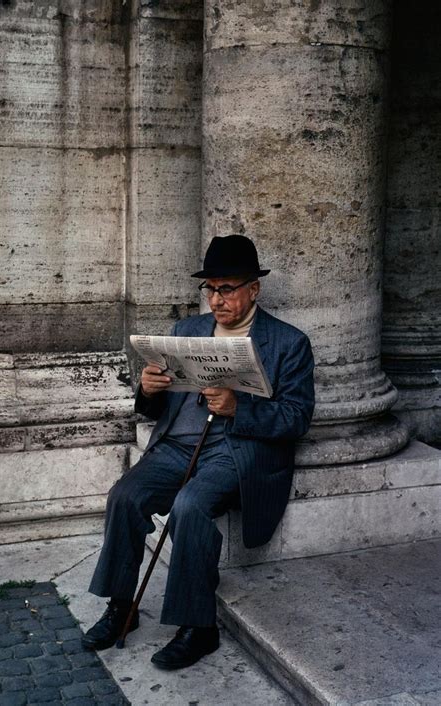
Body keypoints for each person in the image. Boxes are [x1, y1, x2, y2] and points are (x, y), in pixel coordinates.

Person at [82, 234, 315, 670]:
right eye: (210, 288)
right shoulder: (186, 331)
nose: (217, 299)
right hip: (177, 444)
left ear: (254, 289)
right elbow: (158, 402)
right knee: (125, 496)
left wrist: (238, 408)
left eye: (227, 288)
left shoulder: (288, 343)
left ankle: (198, 627)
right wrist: (147, 392)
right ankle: (121, 608)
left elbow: (297, 418)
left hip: (235, 450)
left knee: (190, 506)